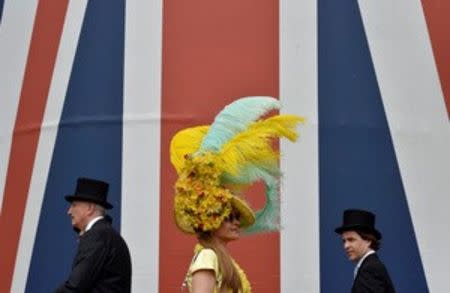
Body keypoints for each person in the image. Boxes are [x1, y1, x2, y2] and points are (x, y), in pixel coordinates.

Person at [170, 97, 304, 292]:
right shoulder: (208, 257)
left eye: (237, 216)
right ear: (211, 219)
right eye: (229, 217)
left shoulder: (217, 258)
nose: (236, 222)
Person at [56, 177, 132, 293]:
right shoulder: (107, 235)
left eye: (74, 205)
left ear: (89, 208)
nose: (69, 211)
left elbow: (75, 286)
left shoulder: (97, 236)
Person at [335, 209, 395, 293]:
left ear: (368, 240)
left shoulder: (369, 269)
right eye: (344, 241)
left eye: (351, 239)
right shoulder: (369, 266)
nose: (346, 246)